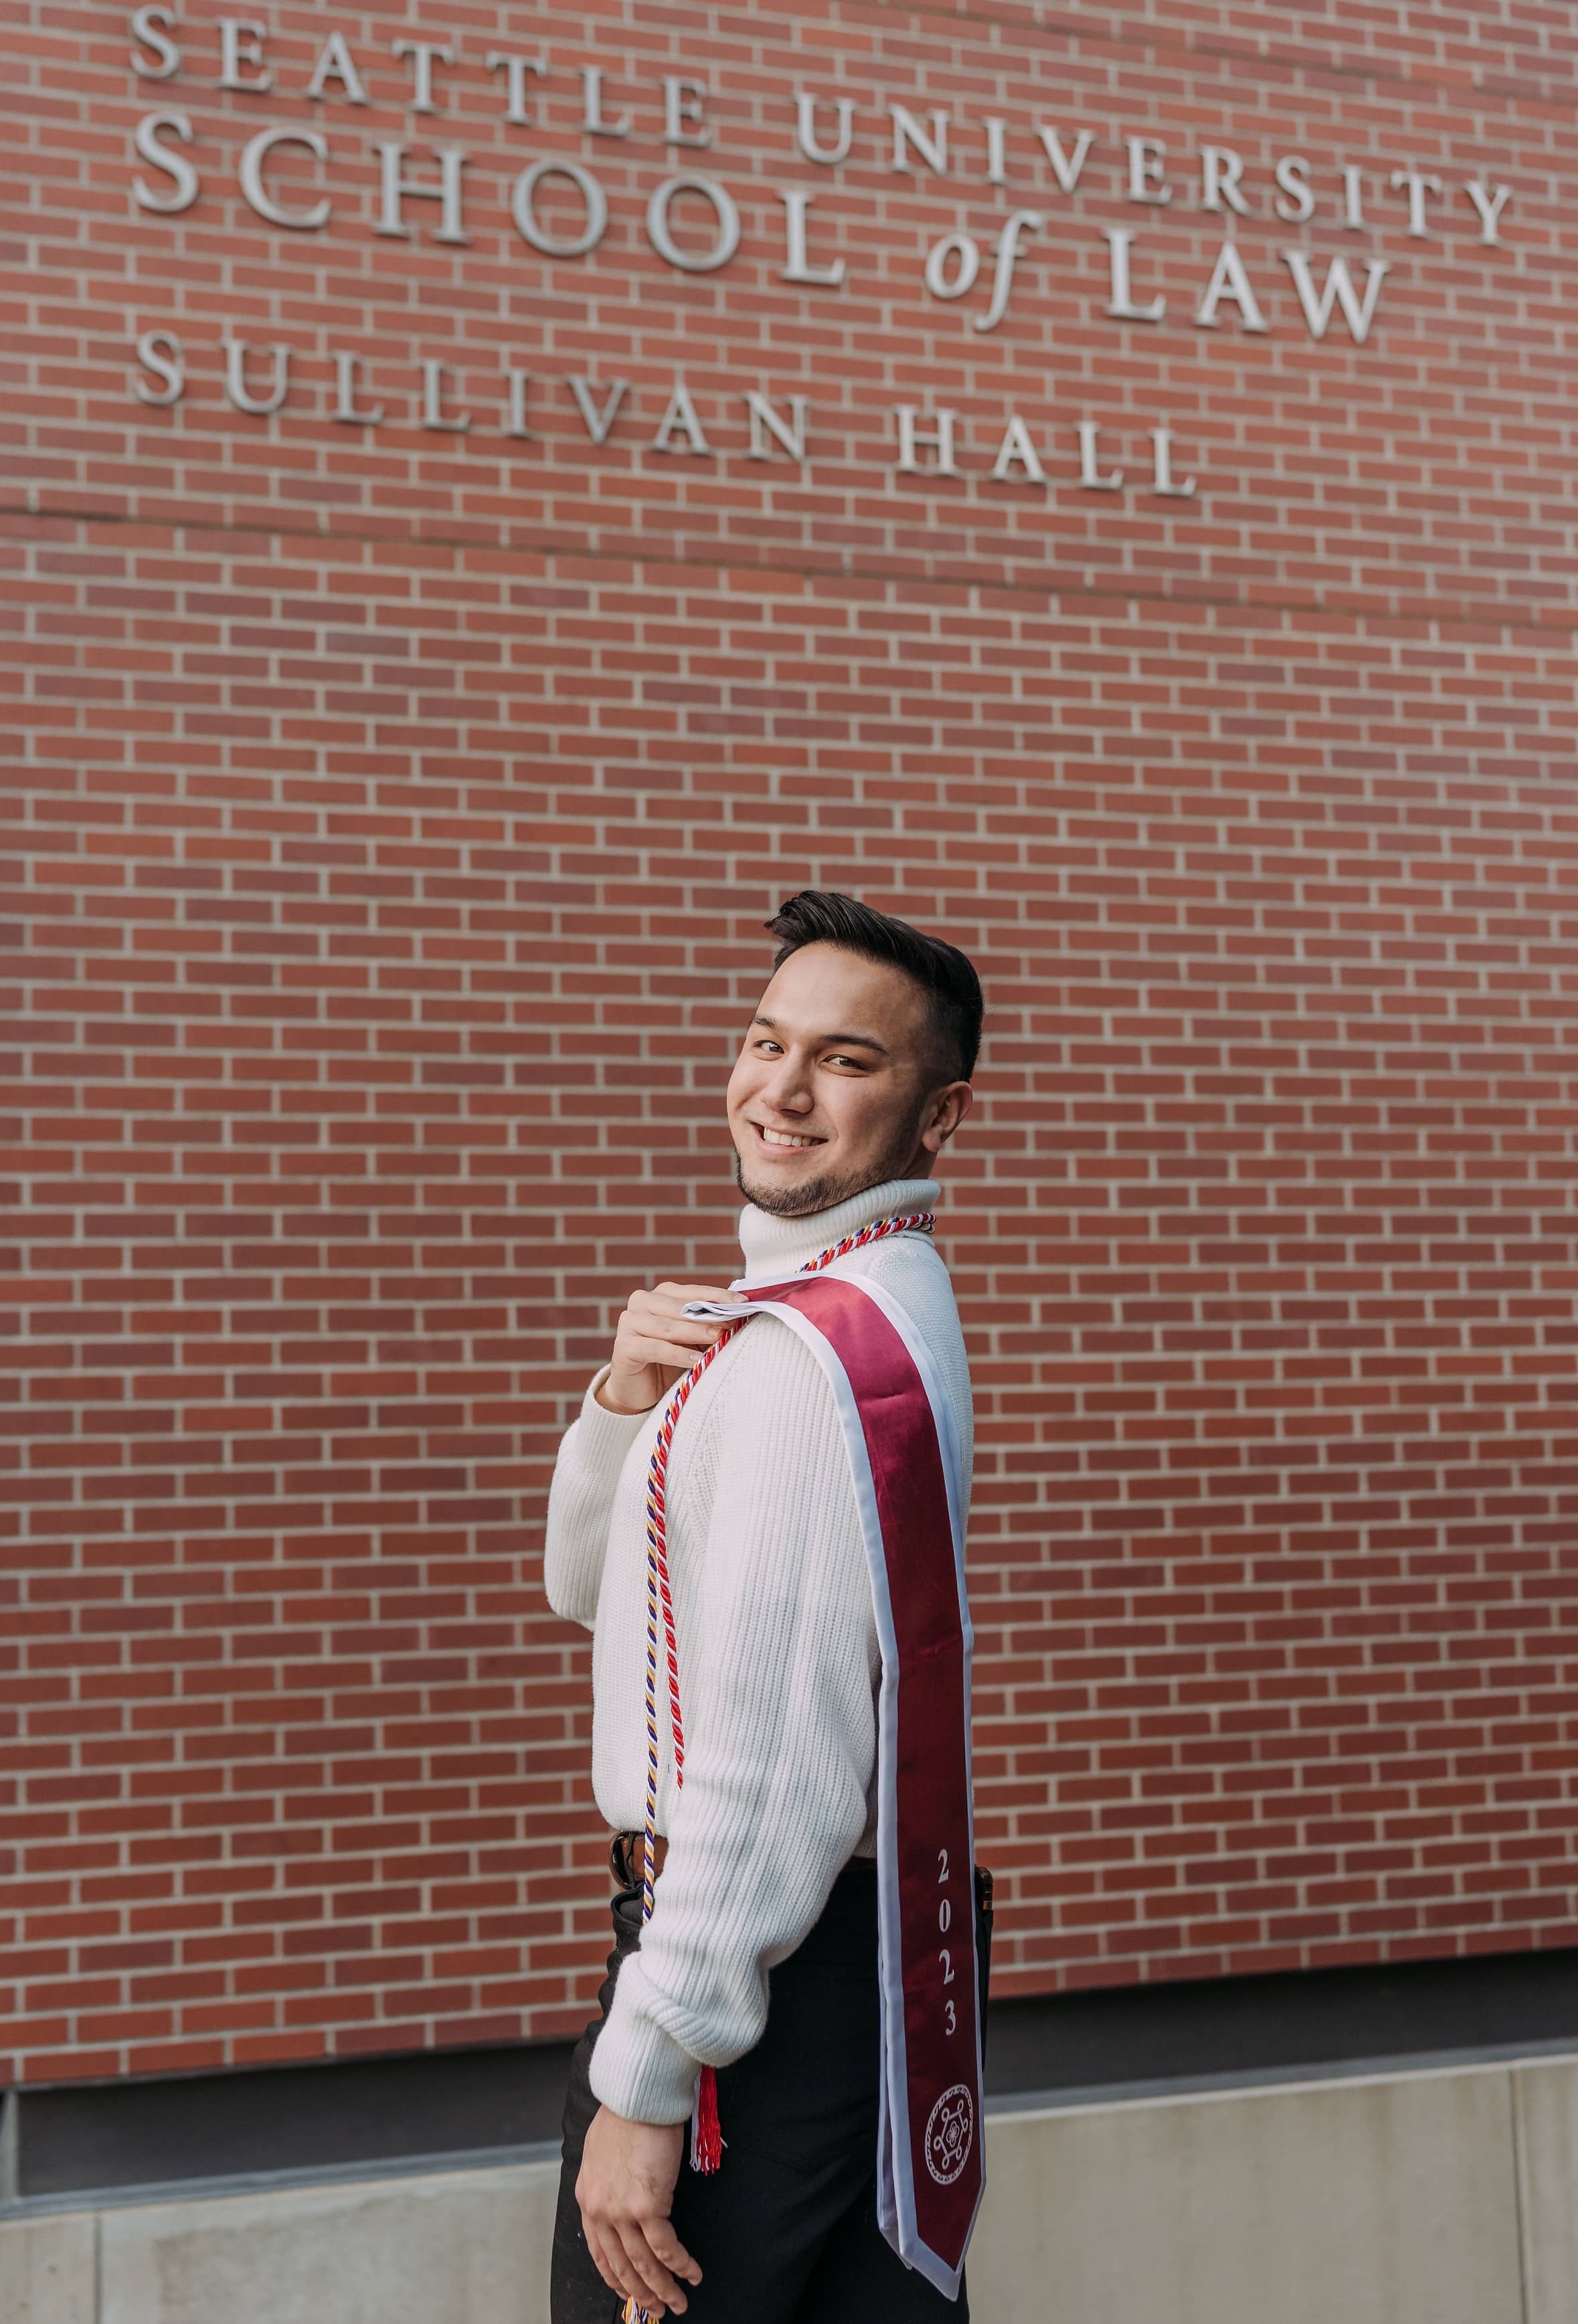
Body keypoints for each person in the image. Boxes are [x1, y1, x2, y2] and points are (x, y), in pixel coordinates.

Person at [545, 890, 984, 2323]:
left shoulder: (809, 1364)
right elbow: (589, 1590)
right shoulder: (820, 1314)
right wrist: (626, 1401)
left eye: (846, 1060)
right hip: (825, 1960)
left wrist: (650, 2070)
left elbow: (773, 1768)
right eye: (763, 1040)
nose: (779, 1090)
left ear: (939, 1116)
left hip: (753, 1975)